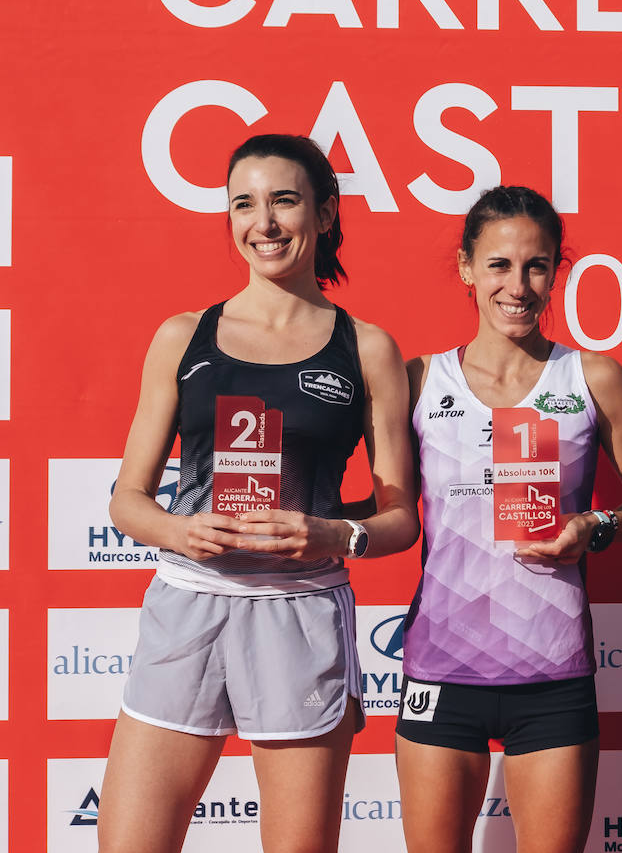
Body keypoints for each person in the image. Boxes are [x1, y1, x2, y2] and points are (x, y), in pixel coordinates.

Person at [99, 134, 420, 853]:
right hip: (189, 606)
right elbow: (128, 499)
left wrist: (336, 534)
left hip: (299, 612)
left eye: (284, 200)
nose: (263, 222)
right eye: (244, 203)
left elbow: (401, 517)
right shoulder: (184, 335)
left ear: (326, 212)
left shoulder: (366, 347)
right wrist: (182, 531)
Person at [395, 185, 622, 853]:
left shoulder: (592, 375)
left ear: (557, 269)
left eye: (537, 265)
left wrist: (595, 526)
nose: (518, 284)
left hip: (553, 674)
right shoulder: (419, 379)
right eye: (500, 264)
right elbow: (383, 504)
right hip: (440, 670)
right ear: (466, 267)